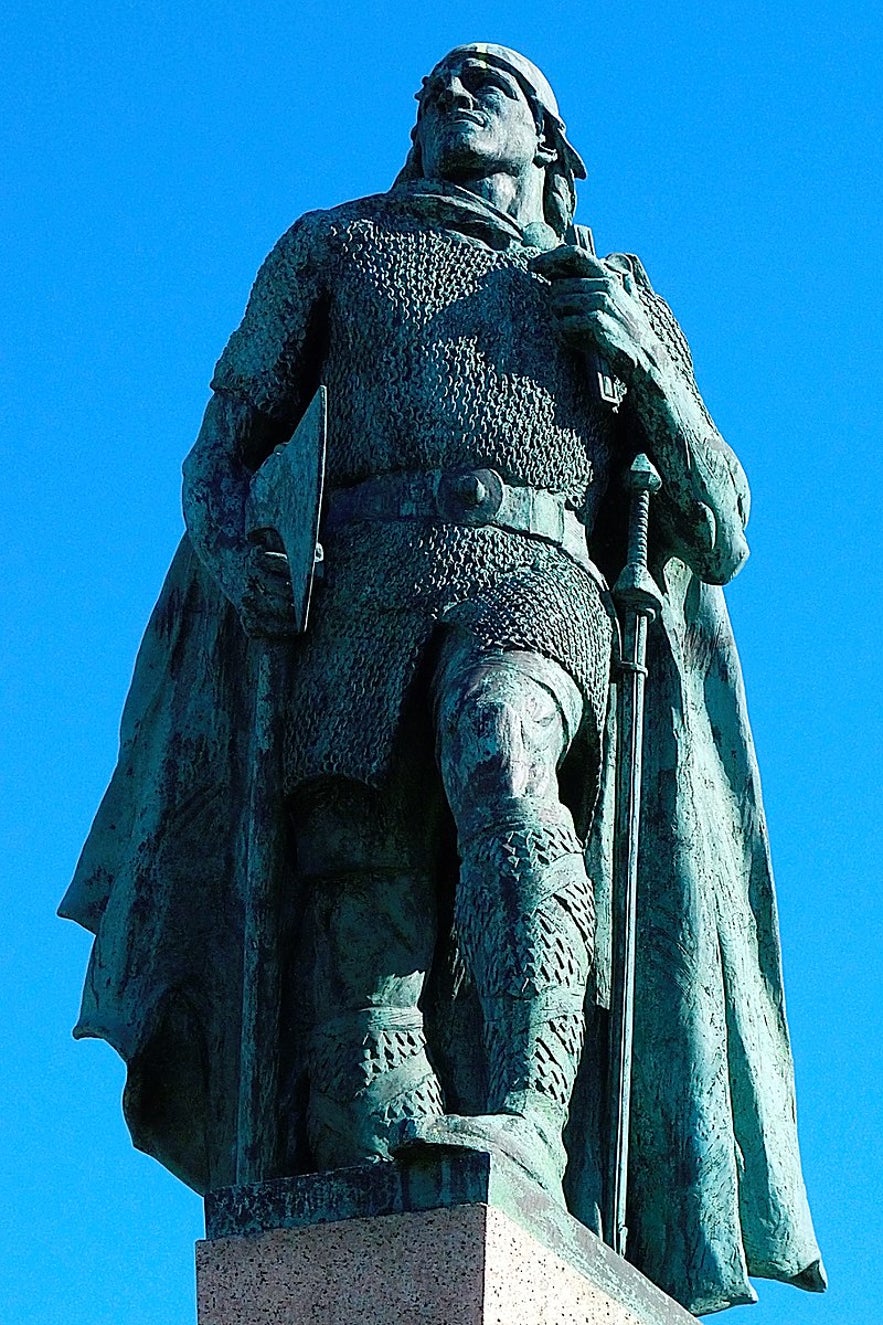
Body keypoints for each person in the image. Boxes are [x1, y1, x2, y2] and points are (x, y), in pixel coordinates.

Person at [60, 44, 825, 1314]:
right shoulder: (335, 246)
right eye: (434, 88)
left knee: (501, 751)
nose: (451, 96)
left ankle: (528, 1111)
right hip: (360, 600)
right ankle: (380, 1185)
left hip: (535, 578)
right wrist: (233, 538)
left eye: (488, 83)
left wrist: (639, 365)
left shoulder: (609, 286)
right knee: (366, 963)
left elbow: (725, 523)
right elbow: (222, 448)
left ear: (550, 146)